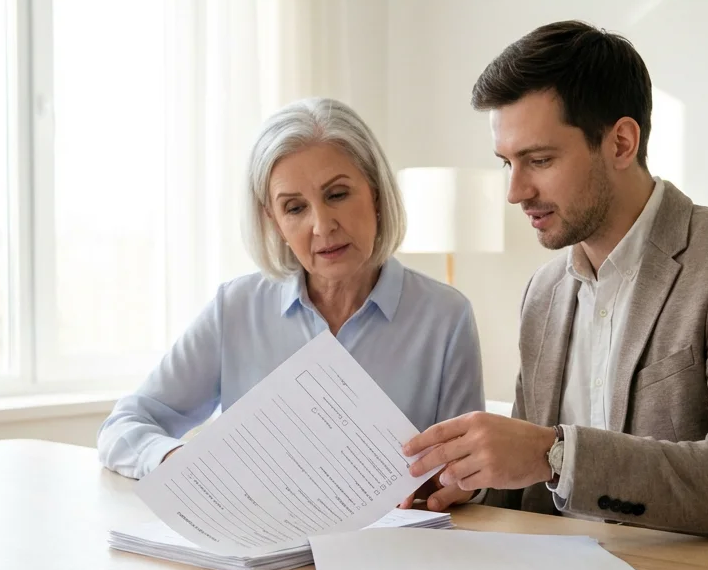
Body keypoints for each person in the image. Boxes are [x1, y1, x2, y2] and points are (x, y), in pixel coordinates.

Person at [402, 21, 708, 550]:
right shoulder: (545, 292)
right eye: (507, 163)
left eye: (540, 160)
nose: (515, 191)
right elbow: (531, 489)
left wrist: (553, 453)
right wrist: (468, 483)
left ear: (621, 142)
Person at [100, 97, 486, 506]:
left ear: (374, 193)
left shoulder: (446, 317)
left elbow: (471, 477)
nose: (322, 226)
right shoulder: (235, 309)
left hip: (393, 553)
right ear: (274, 221)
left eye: (337, 194)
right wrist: (177, 459)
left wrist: (452, 486)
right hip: (256, 553)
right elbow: (124, 426)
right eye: (295, 208)